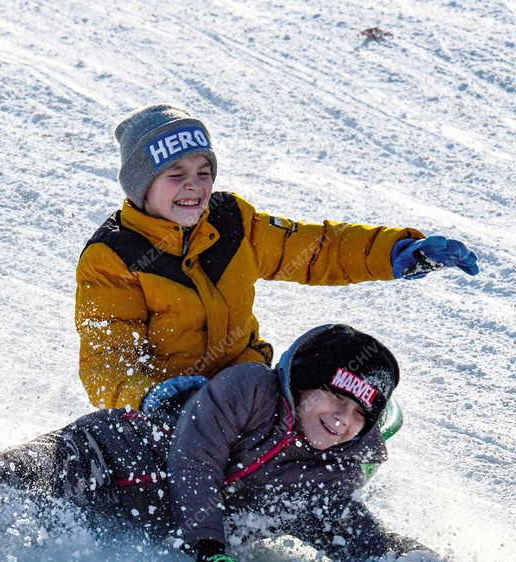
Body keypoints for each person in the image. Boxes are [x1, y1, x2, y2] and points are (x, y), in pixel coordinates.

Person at [0, 325, 473, 562]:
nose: (341, 418)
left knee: (0, 520)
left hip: (127, 514)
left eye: (358, 416)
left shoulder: (324, 476)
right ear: (298, 382)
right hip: (103, 456)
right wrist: (210, 546)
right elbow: (197, 459)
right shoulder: (248, 391)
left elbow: (349, 532)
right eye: (333, 398)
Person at [76, 104, 480, 410]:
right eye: (175, 174)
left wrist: (395, 252)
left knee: (343, 358)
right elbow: (106, 361)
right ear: (141, 184)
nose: (194, 187)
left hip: (247, 389)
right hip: (171, 413)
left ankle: (338, 472)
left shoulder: (231, 220)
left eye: (204, 171)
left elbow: (314, 249)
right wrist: (152, 396)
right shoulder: (112, 258)